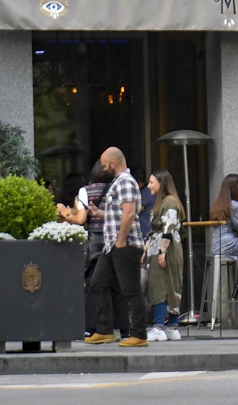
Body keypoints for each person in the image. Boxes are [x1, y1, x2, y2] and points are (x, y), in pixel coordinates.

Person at [84, 147, 148, 346]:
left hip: (124, 244)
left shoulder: (126, 182)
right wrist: (99, 213)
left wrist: (120, 241)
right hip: (112, 245)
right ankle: (104, 330)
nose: (103, 169)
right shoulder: (118, 183)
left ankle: (139, 335)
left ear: (113, 163)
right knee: (98, 283)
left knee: (131, 290)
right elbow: (120, 213)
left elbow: (129, 214)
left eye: (105, 165)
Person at [60, 163, 114, 340]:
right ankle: (125, 328)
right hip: (114, 240)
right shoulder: (116, 188)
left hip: (95, 244)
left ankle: (92, 326)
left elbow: (81, 219)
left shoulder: (85, 191)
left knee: (93, 284)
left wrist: (66, 213)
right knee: (117, 286)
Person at [144, 170, 184, 341]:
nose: (148, 186)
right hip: (160, 247)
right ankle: (171, 326)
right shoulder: (166, 202)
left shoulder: (169, 202)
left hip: (166, 249)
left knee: (162, 285)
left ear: (161, 184)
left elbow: (168, 228)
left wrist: (162, 252)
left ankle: (159, 326)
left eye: (152, 182)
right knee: (168, 285)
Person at [208, 173, 238, 322]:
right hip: (228, 244)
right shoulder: (234, 205)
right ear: (234, 187)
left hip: (216, 246)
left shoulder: (219, 203)